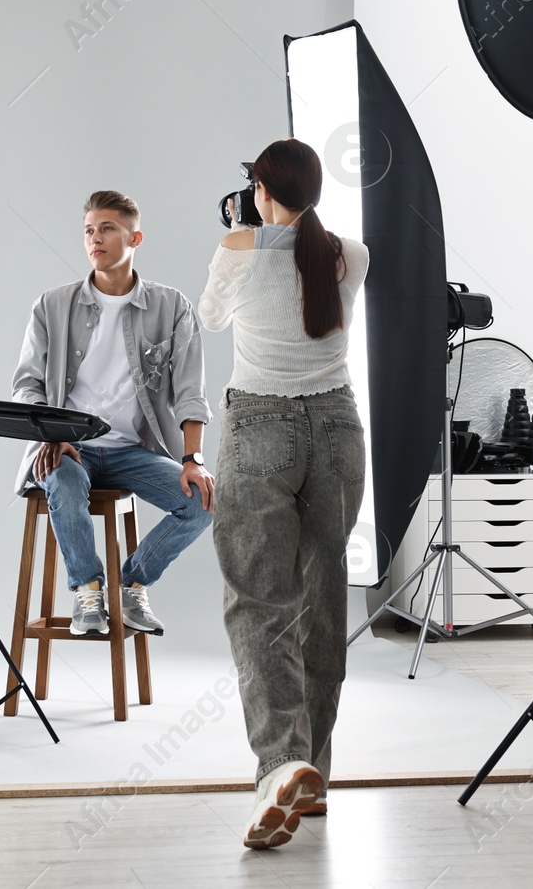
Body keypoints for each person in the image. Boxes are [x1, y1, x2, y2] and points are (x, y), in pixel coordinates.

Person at [199, 138, 369, 850]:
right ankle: (312, 774)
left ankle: (280, 767)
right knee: (321, 602)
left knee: (259, 602)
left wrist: (239, 229)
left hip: (261, 427)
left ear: (264, 190)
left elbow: (210, 316)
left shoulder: (239, 244)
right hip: (336, 431)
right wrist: (263, 220)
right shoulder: (349, 254)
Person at [12, 190, 214, 638]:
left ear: (135, 237)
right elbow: (27, 385)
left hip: (131, 451)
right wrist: (52, 433)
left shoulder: (172, 307)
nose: (94, 239)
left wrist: (193, 460)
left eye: (107, 229)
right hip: (66, 447)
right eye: (88, 230)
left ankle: (133, 582)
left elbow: (190, 392)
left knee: (202, 502)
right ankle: (88, 591)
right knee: (62, 478)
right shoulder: (52, 305)